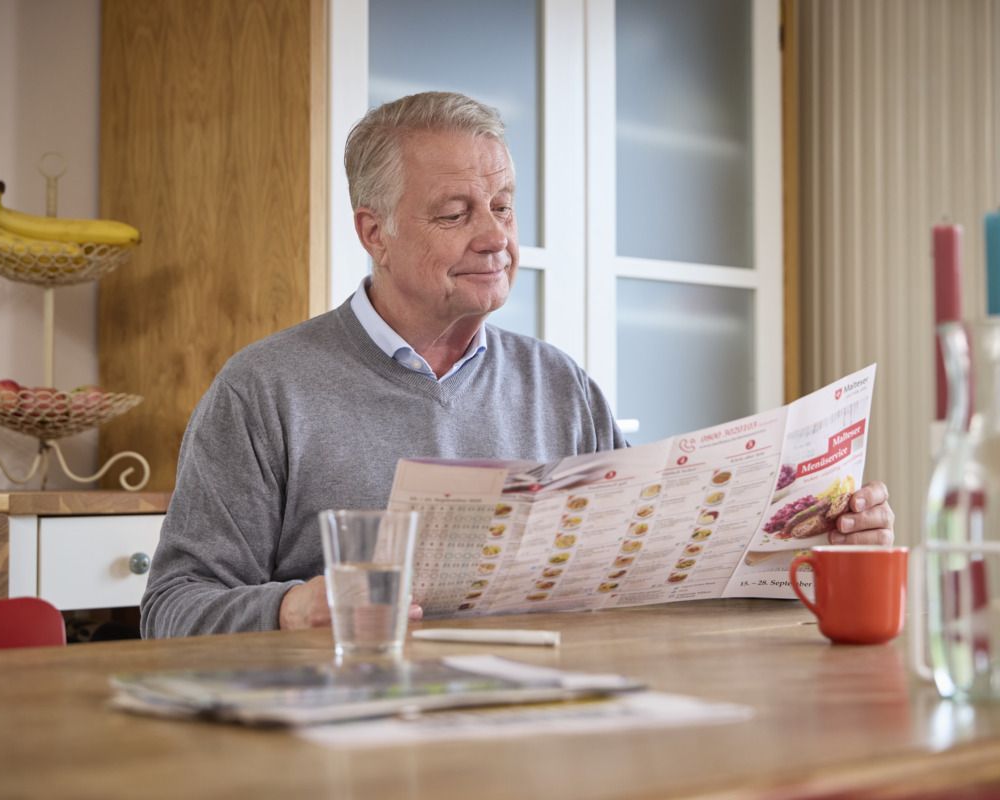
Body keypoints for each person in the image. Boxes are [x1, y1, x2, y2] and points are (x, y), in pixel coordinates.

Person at [141, 91, 894, 638]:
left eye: (502, 206)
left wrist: (820, 548)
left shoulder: (559, 384)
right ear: (375, 232)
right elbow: (172, 607)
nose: (495, 237)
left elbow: (653, 581)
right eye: (455, 213)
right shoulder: (264, 389)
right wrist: (290, 607)